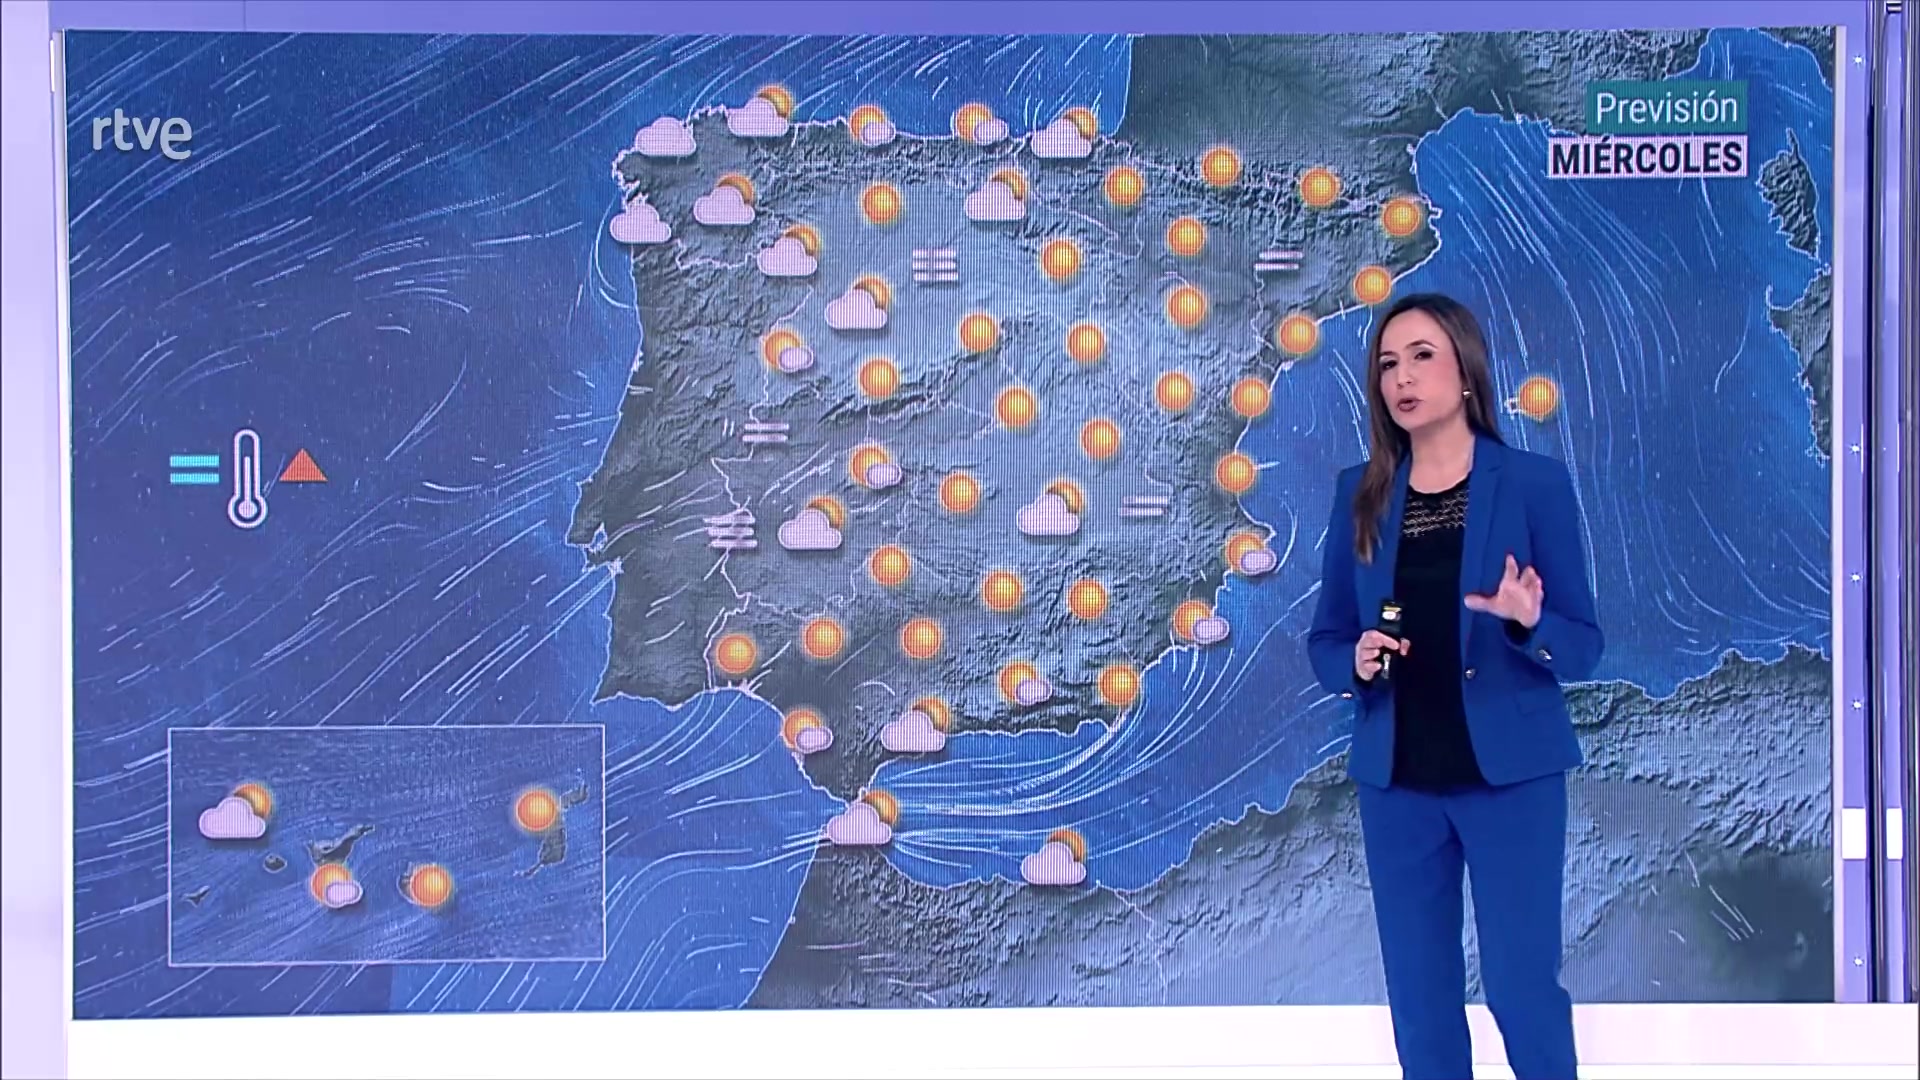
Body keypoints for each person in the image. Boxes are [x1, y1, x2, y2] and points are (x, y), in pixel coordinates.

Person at [1307, 292, 1603, 1080]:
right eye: (1387, 364)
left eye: (1422, 356)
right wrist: (1356, 661)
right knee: (1420, 1001)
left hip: (1511, 780)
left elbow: (1582, 646)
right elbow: (1326, 638)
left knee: (1520, 990)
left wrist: (1527, 621)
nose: (1402, 377)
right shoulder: (1361, 494)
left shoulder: (1533, 484)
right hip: (1398, 785)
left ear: (1466, 371)